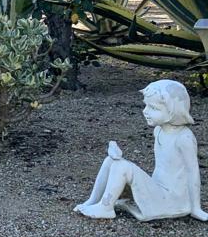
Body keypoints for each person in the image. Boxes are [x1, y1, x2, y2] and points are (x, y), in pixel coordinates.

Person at [75, 79, 207, 221]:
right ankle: (93, 201)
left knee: (123, 166)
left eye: (154, 108)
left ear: (174, 111)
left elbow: (193, 173)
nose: (145, 111)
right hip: (158, 188)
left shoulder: (184, 138)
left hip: (172, 199)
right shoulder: (158, 131)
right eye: (146, 106)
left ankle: (106, 208)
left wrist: (196, 208)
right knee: (111, 160)